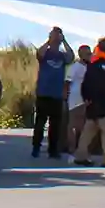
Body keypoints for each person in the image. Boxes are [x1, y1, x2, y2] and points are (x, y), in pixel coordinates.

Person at [73, 38, 105, 167]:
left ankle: (80, 156)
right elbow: (103, 85)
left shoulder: (93, 63)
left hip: (93, 103)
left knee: (89, 130)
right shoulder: (102, 64)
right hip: (102, 104)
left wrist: (87, 98)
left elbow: (86, 83)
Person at [30, 26, 74, 158]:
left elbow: (71, 57)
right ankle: (36, 147)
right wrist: (49, 41)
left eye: (58, 36)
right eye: (54, 35)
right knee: (40, 122)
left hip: (57, 94)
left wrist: (64, 41)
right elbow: (39, 54)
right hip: (43, 92)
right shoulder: (46, 53)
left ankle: (53, 150)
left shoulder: (61, 56)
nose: (56, 38)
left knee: (55, 124)